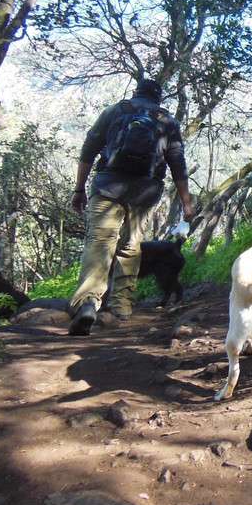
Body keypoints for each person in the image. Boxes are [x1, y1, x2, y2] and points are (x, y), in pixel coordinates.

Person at [68, 78, 195, 336]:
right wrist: (186, 202)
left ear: (135, 93)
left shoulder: (115, 111)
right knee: (131, 245)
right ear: (158, 99)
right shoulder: (168, 122)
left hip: (107, 187)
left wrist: (79, 189)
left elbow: (88, 150)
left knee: (99, 243)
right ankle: (122, 308)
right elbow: (177, 164)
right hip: (145, 193)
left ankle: (89, 302)